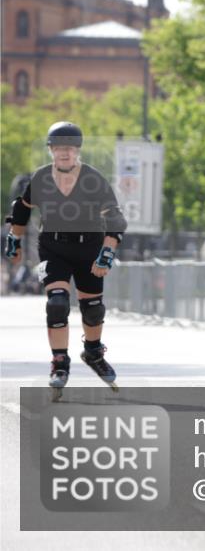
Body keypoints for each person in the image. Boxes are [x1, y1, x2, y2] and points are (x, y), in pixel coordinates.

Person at [4, 122, 127, 399]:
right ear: (51, 151)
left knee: (93, 309)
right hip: (54, 248)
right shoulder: (41, 179)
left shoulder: (93, 179)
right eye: (58, 148)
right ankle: (60, 363)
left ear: (77, 151)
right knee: (57, 304)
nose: (64, 154)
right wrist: (14, 240)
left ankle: (93, 352)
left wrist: (107, 253)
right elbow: (21, 210)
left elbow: (116, 219)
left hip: (90, 249)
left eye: (69, 149)